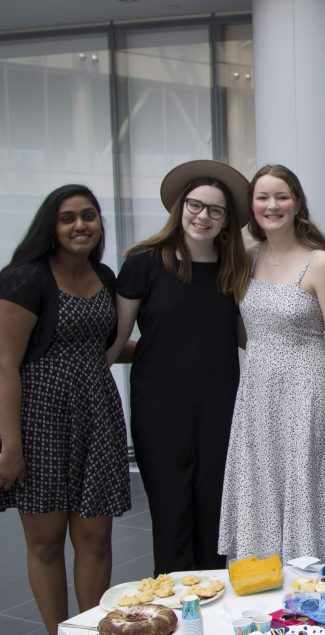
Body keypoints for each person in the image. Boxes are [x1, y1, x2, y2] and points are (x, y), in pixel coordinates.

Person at [0, 185, 130, 635]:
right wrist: (11, 446)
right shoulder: (24, 278)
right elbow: (6, 366)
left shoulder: (104, 277)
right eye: (68, 218)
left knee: (95, 538)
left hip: (96, 415)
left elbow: (106, 344)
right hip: (38, 418)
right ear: (52, 225)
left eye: (89, 217)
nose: (80, 226)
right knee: (46, 544)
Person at [218, 164, 325, 566]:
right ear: (251, 206)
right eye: (263, 197)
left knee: (310, 493)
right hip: (257, 396)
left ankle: (320, 594)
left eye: (281, 196)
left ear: (297, 203)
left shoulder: (320, 263)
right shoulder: (247, 259)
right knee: (262, 493)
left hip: (308, 393)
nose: (272, 205)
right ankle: (266, 602)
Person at [110, 160, 251, 572]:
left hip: (220, 404)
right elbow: (118, 339)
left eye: (215, 210)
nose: (202, 216)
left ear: (226, 221)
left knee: (214, 511)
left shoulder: (235, 268)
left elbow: (249, 338)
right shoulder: (144, 262)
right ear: (179, 206)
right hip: (159, 404)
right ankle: (173, 609)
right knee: (170, 510)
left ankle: (214, 608)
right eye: (195, 205)